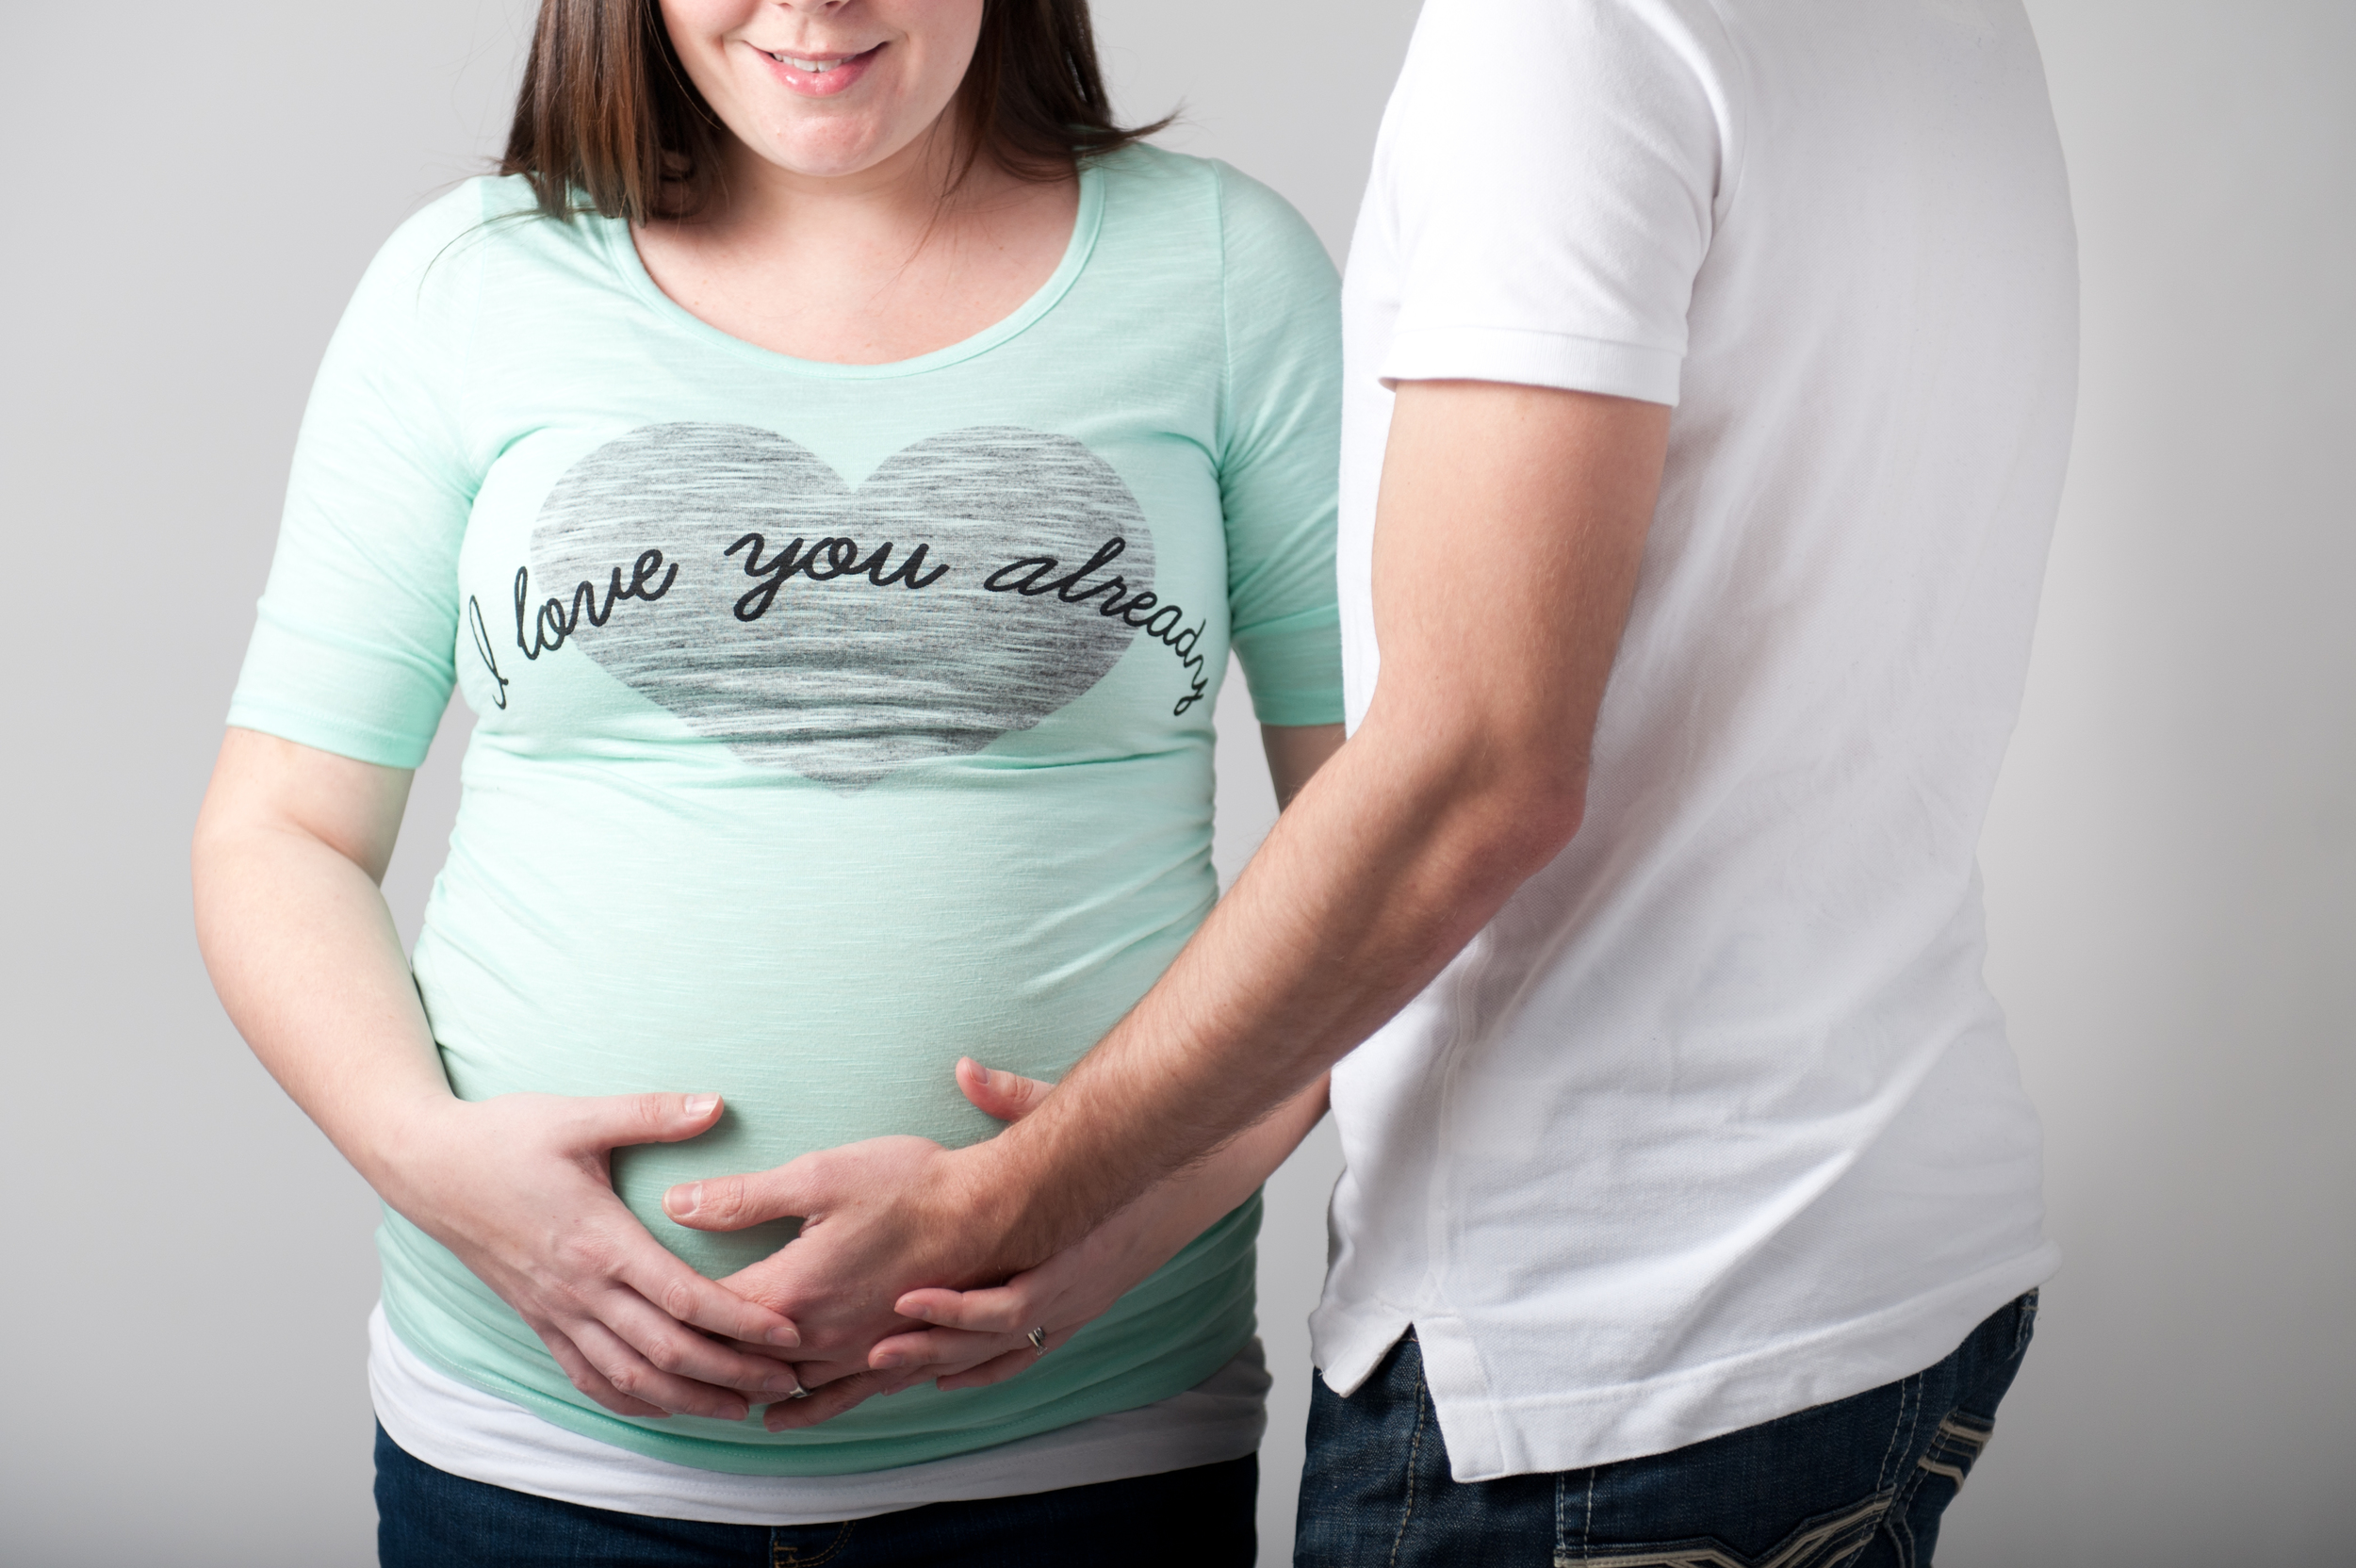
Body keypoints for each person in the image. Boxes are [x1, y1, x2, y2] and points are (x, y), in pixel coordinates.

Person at [669, 0, 2082, 1561]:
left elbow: (1470, 775)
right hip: (1874, 1259)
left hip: (1610, 1349)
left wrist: (1010, 1207)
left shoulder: (1568, 30)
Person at [189, 0, 1347, 1561]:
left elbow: (1396, 843)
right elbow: (281, 832)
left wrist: (1117, 1210)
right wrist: (439, 1168)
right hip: (533, 1467)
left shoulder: (1222, 274)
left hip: (1084, 1451)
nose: (814, 5)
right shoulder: (466, 286)